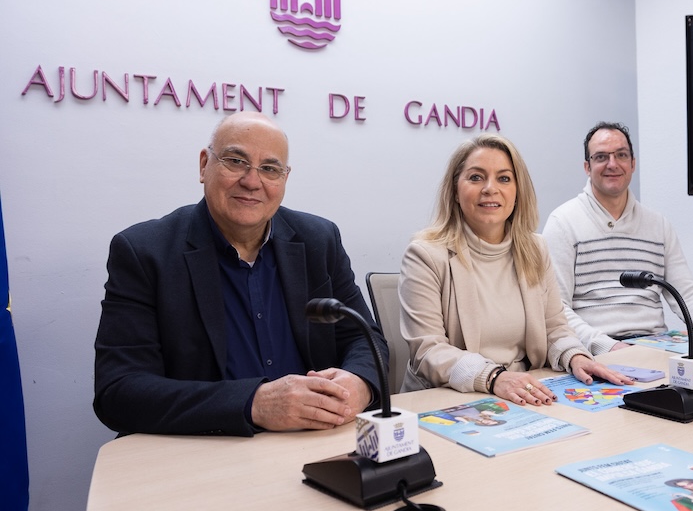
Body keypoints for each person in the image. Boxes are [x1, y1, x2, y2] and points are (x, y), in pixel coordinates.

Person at [93, 112, 388, 436]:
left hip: (315, 441)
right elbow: (119, 391)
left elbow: (365, 338)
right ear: (204, 165)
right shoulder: (144, 252)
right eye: (236, 161)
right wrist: (253, 404)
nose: (252, 181)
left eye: (270, 169)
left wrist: (359, 383)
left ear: (285, 179)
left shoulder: (319, 239)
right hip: (204, 449)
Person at [398, 134, 633, 406]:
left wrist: (576, 356)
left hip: (522, 394)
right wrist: (493, 377)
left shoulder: (535, 248)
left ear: (518, 191)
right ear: (454, 190)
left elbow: (555, 328)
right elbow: (428, 351)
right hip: (449, 401)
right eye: (476, 177)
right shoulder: (425, 254)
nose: (490, 188)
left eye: (504, 178)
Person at [542, 121, 693, 355]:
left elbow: (686, 293)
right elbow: (555, 310)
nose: (612, 164)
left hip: (654, 347)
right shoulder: (563, 223)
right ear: (587, 167)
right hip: (597, 353)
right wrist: (609, 346)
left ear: (633, 163)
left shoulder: (658, 224)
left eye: (621, 155)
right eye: (601, 157)